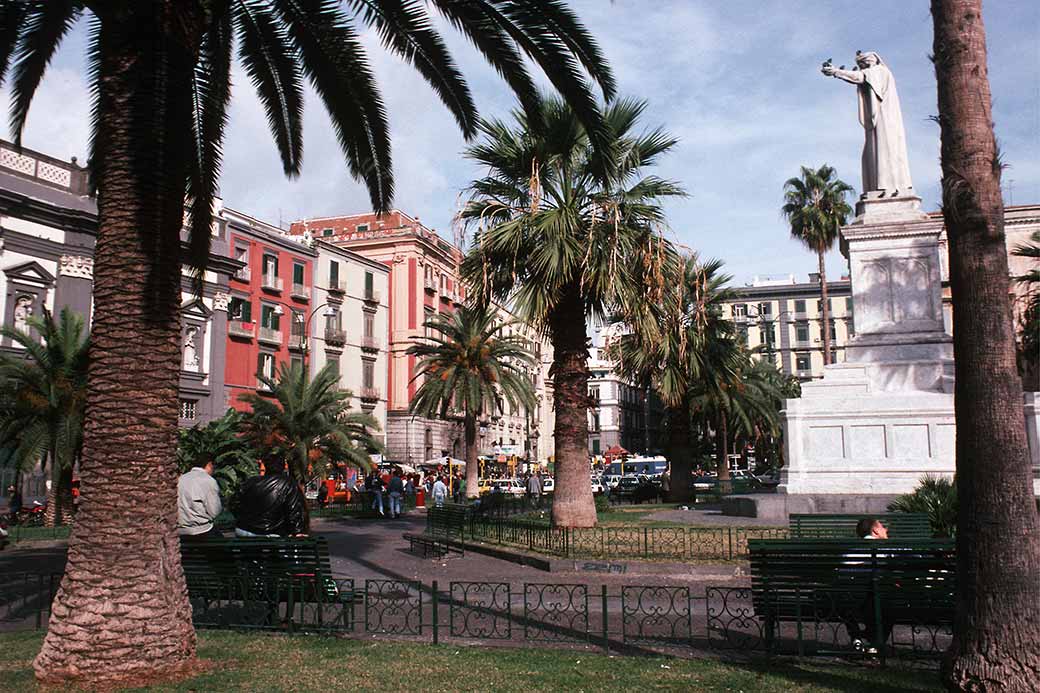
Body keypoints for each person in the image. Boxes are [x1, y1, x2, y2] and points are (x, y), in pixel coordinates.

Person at [842, 517, 892, 654]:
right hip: (875, 603)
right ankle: (875, 644)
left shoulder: (851, 552)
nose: (886, 530)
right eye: (883, 527)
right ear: (875, 530)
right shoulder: (885, 551)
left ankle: (856, 637)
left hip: (851, 602)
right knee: (890, 608)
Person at [234, 454, 306, 537]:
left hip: (243, 530)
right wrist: (297, 531)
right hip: (271, 533)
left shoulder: (250, 482)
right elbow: (293, 509)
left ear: (266, 466)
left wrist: (243, 519)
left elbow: (234, 503)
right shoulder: (288, 484)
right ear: (283, 467)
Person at [177, 453, 223, 540]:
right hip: (202, 531)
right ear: (209, 464)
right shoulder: (208, 480)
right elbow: (215, 512)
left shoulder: (181, 479)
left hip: (180, 531)